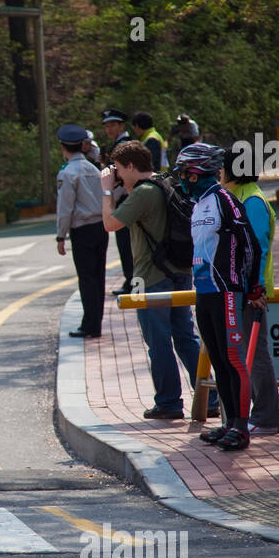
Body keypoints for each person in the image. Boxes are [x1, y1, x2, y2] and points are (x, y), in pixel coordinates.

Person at [99, 139, 207, 419]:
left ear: (132, 166)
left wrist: (106, 190)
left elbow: (110, 224)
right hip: (180, 271)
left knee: (158, 341)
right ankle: (211, 396)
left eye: (120, 169)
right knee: (185, 336)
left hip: (150, 277)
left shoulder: (144, 193)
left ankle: (169, 402)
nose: (118, 175)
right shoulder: (166, 182)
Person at [178, 142, 262, 451]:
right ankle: (227, 422)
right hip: (204, 292)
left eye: (186, 173)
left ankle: (241, 426)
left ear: (200, 171)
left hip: (227, 290)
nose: (182, 179)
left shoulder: (225, 199)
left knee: (233, 359)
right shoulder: (198, 204)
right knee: (218, 359)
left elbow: (251, 243)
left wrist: (254, 287)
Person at [220, 148, 279, 434]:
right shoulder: (239, 197)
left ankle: (267, 417)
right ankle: (272, 408)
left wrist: (255, 289)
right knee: (246, 352)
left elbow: (257, 248)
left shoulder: (253, 201)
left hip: (250, 292)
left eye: (221, 167)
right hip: (241, 289)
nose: (217, 173)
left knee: (255, 354)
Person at [56, 122, 108, 338]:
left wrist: (61, 235)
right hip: (100, 228)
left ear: (63, 147)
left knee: (87, 278)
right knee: (99, 276)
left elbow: (65, 207)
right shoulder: (94, 169)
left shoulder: (68, 173)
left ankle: (90, 325)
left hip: (82, 230)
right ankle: (96, 322)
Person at [102, 108, 134, 295]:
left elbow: (122, 178)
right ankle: (130, 280)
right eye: (107, 126)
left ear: (122, 125)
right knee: (125, 244)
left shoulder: (124, 145)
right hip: (124, 197)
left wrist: (111, 197)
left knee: (127, 244)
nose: (109, 129)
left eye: (113, 125)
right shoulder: (119, 144)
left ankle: (132, 281)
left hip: (125, 198)